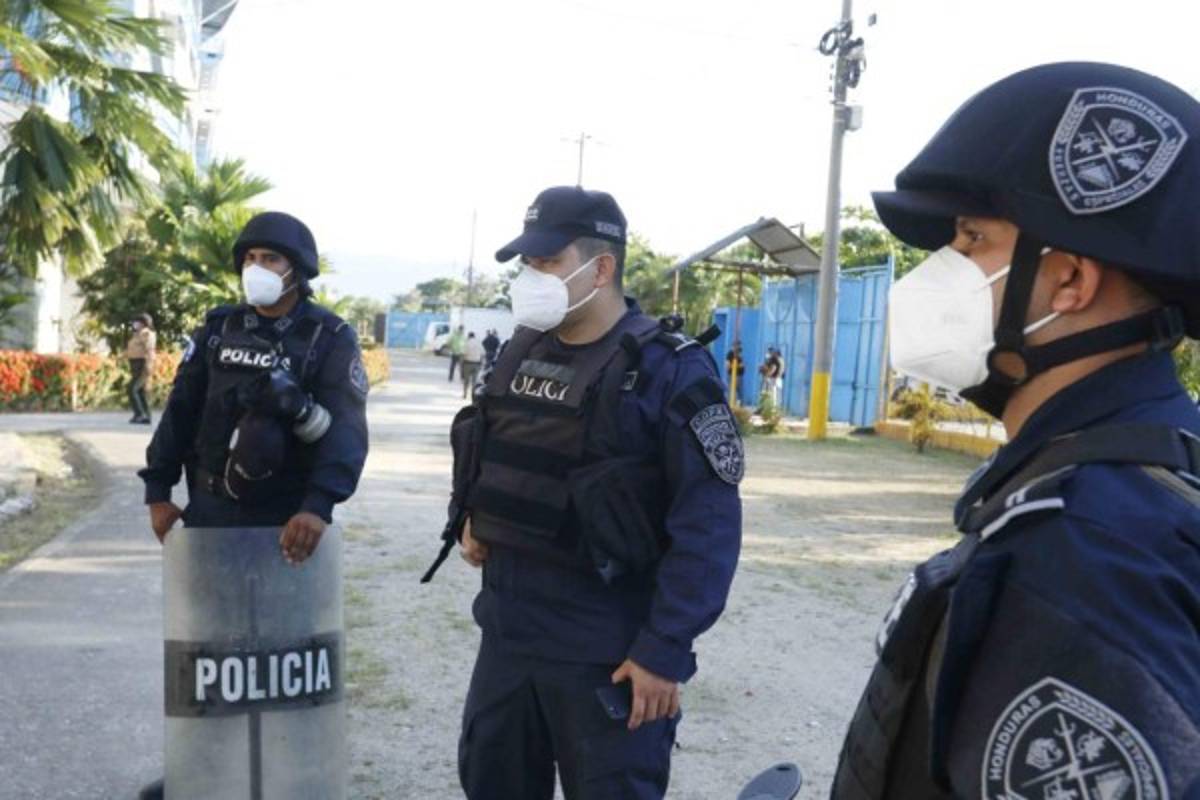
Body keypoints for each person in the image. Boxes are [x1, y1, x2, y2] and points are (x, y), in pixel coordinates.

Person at [831, 62, 1200, 797]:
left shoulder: (1082, 552)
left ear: (1068, 282)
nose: (942, 267)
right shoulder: (1146, 477)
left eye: (972, 238)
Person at [437, 186, 742, 800]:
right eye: (527, 265)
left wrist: (664, 649)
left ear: (601, 268)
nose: (531, 277)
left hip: (606, 651)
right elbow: (490, 451)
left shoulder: (669, 368)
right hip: (509, 637)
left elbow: (707, 524)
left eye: (547, 263)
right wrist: (471, 518)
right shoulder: (519, 351)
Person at [135, 211, 370, 799]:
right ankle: (204, 769)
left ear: (298, 271)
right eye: (248, 259)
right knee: (214, 651)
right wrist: (158, 489)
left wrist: (319, 505)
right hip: (211, 516)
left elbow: (346, 432)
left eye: (270, 260)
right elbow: (181, 411)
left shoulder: (328, 338)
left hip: (287, 523)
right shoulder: (218, 329)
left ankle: (285, 771)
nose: (255, 270)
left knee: (283, 650)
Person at [126, 312, 156, 425]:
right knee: (141, 391)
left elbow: (149, 350)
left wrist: (148, 365)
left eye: (137, 322)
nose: (135, 324)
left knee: (132, 389)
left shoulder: (147, 334)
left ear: (144, 323)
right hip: (135, 364)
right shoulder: (137, 334)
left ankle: (140, 414)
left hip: (143, 364)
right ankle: (146, 416)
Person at [460, 331, 484, 399]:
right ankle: (473, 395)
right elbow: (483, 354)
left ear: (469, 336)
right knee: (474, 381)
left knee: (466, 380)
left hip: (467, 364)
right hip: (477, 364)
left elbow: (463, 354)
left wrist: (461, 364)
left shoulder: (467, 343)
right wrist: (481, 363)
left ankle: (465, 394)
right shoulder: (479, 343)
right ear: (474, 336)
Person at [758, 346, 783, 411]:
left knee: (772, 393)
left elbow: (774, 368)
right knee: (770, 393)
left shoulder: (774, 359)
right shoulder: (772, 359)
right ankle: (766, 407)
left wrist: (768, 375)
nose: (768, 353)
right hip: (773, 378)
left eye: (770, 351)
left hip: (773, 378)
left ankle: (772, 408)